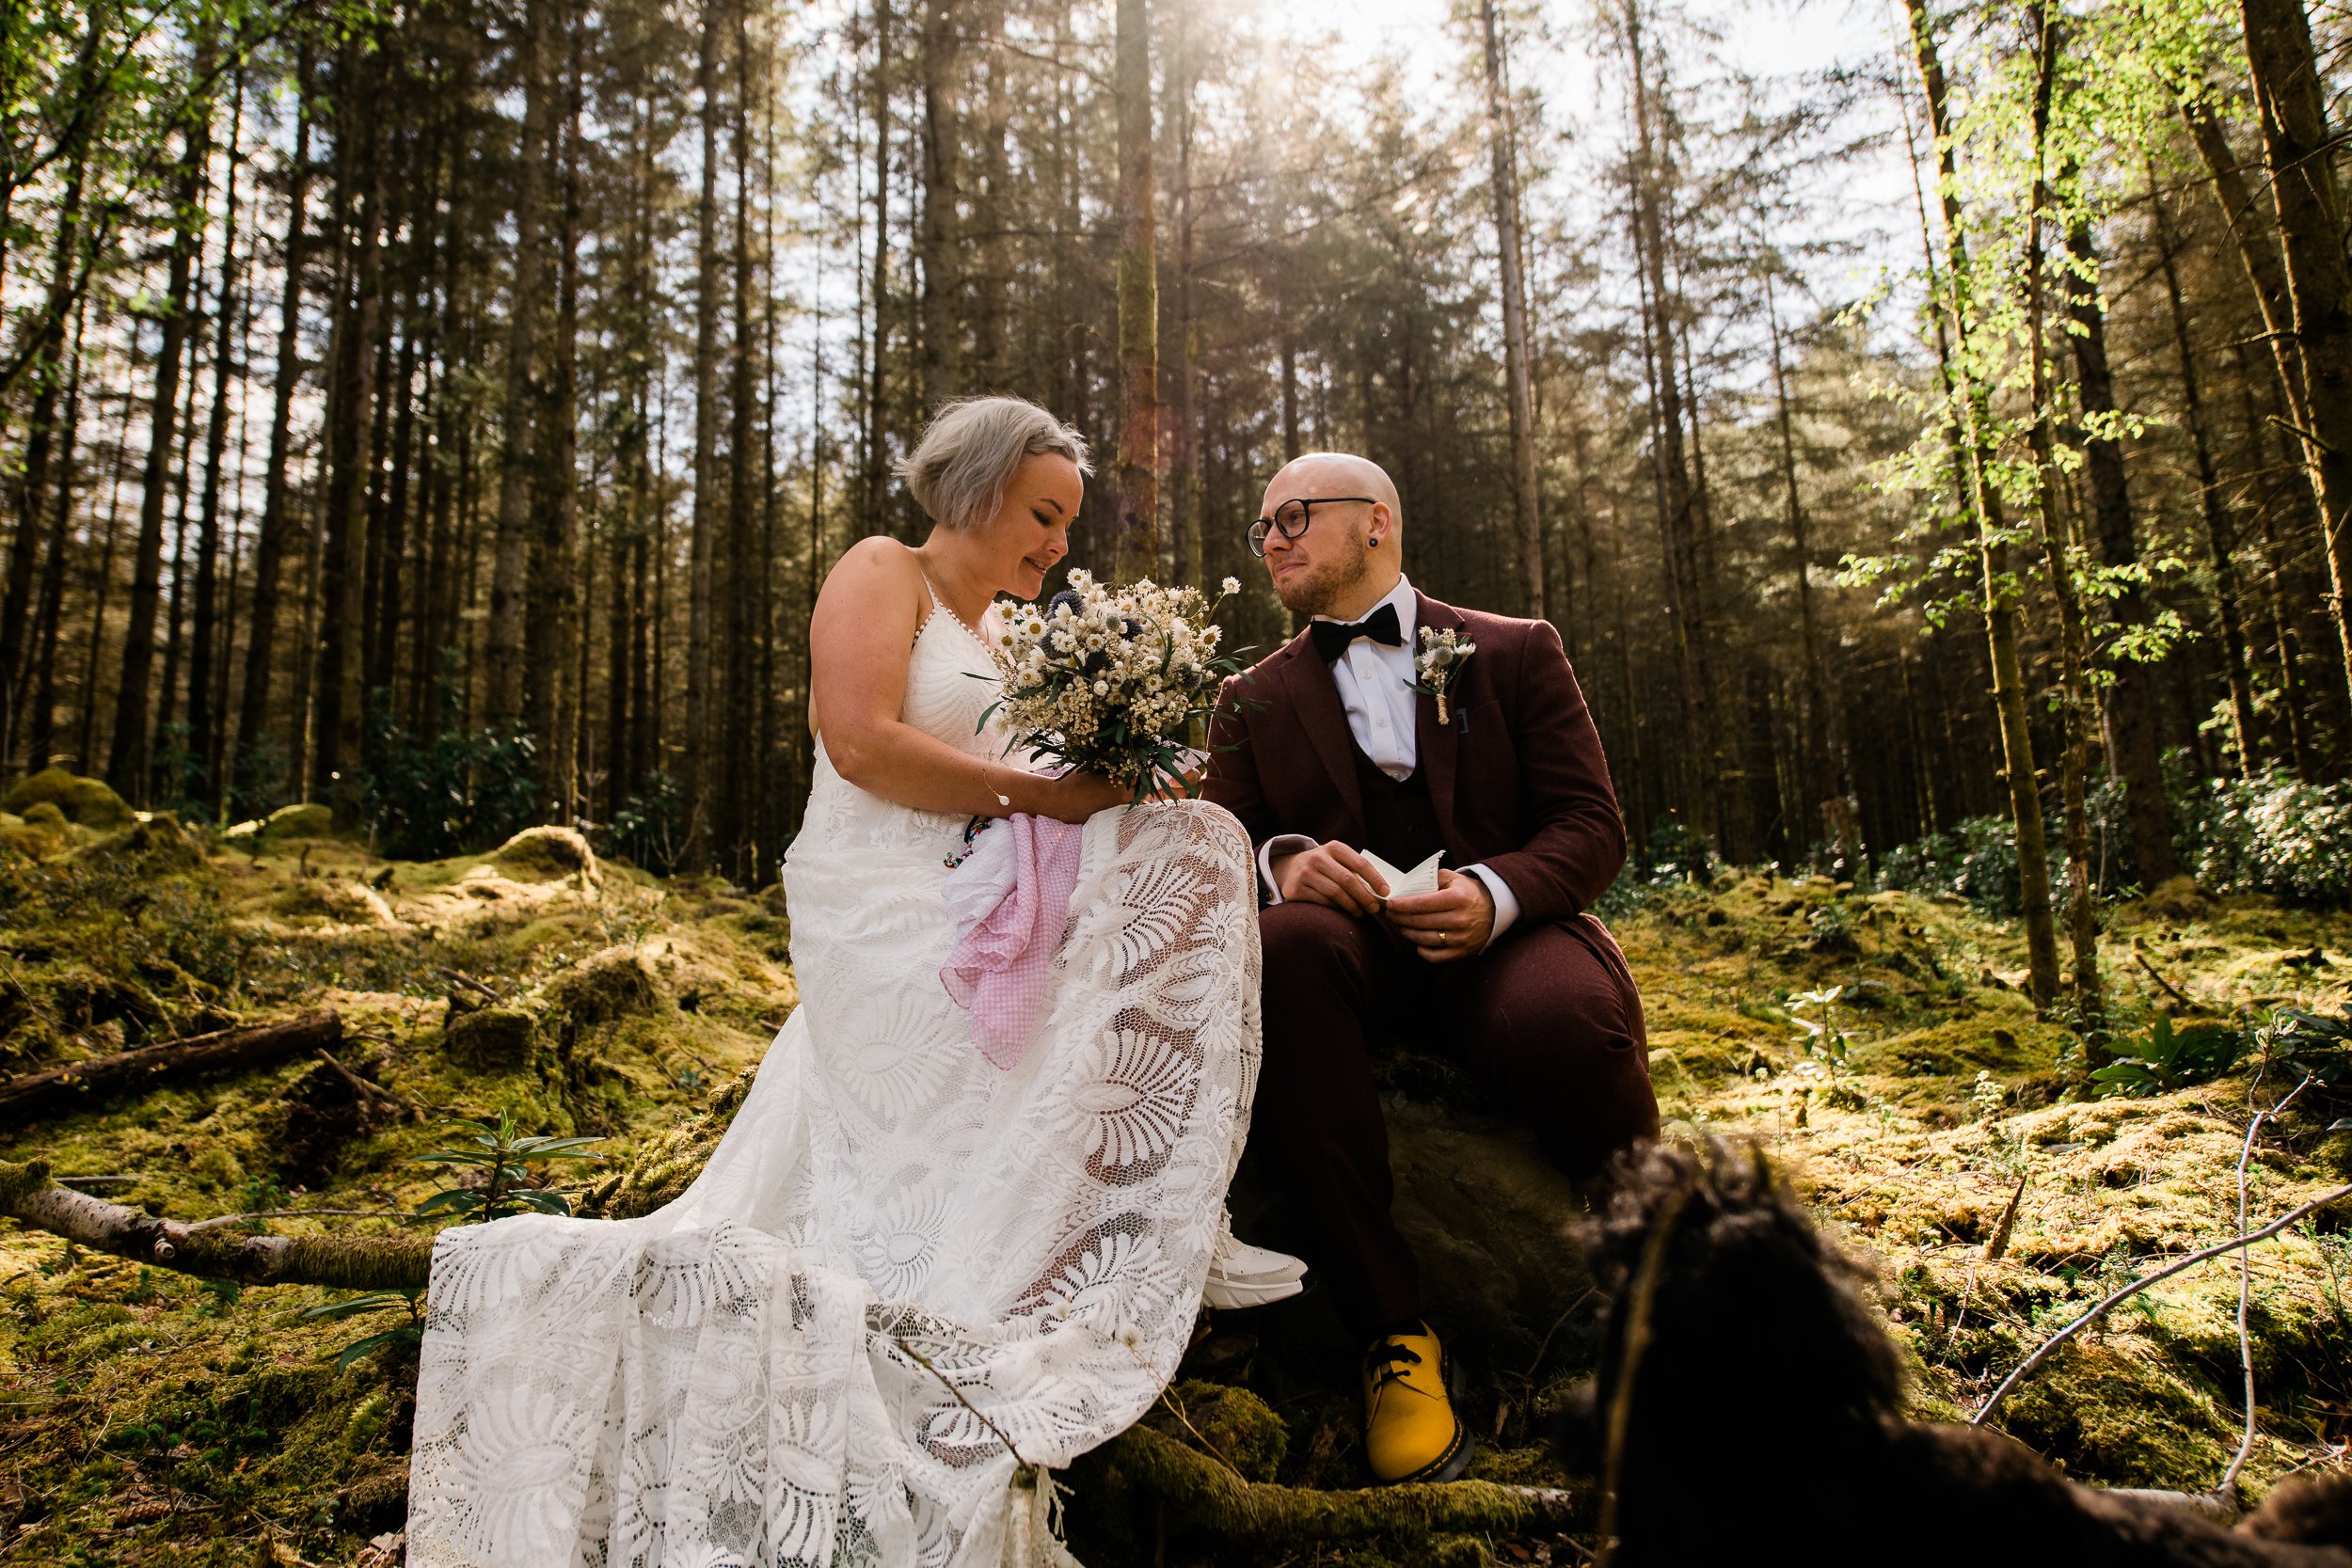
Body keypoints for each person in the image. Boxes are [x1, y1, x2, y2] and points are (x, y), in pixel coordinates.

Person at [406, 397, 1270, 1567]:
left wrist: (1123, 777)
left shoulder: (1014, 640)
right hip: (880, 898)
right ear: (975, 489)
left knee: (1198, 837)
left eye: (1067, 521)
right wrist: (1059, 799)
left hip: (978, 890)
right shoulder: (884, 571)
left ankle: (1149, 1207)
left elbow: (1035, 794)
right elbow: (858, 741)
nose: (1060, 544)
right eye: (1043, 514)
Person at [1202, 452, 1660, 1487]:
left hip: (1509, 937)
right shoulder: (1250, 696)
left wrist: (1496, 896)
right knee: (1280, 950)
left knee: (1563, 1024)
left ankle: (1655, 1296)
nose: (1270, 538)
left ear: (1376, 522)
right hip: (1345, 955)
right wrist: (1283, 862)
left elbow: (1590, 824)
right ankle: (1393, 1337)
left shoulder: (1513, 649)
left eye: (1292, 516)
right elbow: (1217, 838)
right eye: (1261, 526)